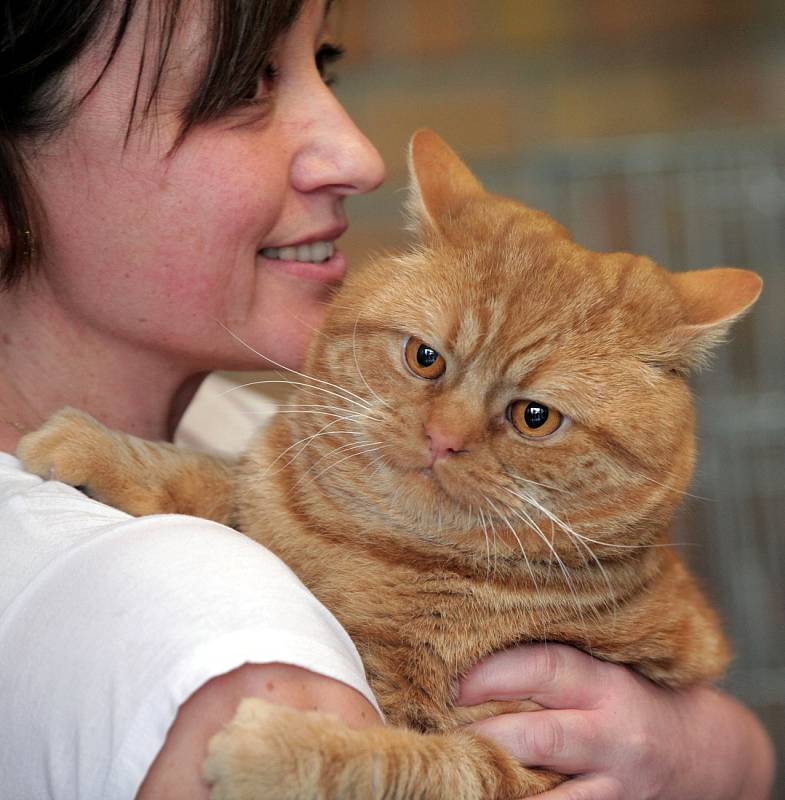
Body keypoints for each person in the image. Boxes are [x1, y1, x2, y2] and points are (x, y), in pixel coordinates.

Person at [0, 0, 775, 798]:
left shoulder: (243, 413)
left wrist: (717, 750)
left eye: (533, 416)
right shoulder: (195, 619)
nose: (444, 432)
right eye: (245, 85)